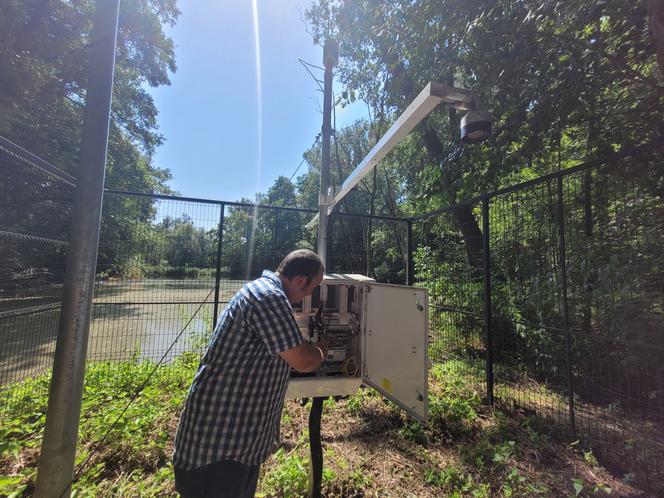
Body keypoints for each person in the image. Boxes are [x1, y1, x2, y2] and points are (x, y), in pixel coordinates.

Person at [172, 249, 328, 498]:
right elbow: (303, 361)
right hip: (219, 450)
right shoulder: (268, 297)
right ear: (300, 280)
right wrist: (322, 349)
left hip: (237, 445)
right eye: (312, 287)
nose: (311, 294)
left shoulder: (263, 292)